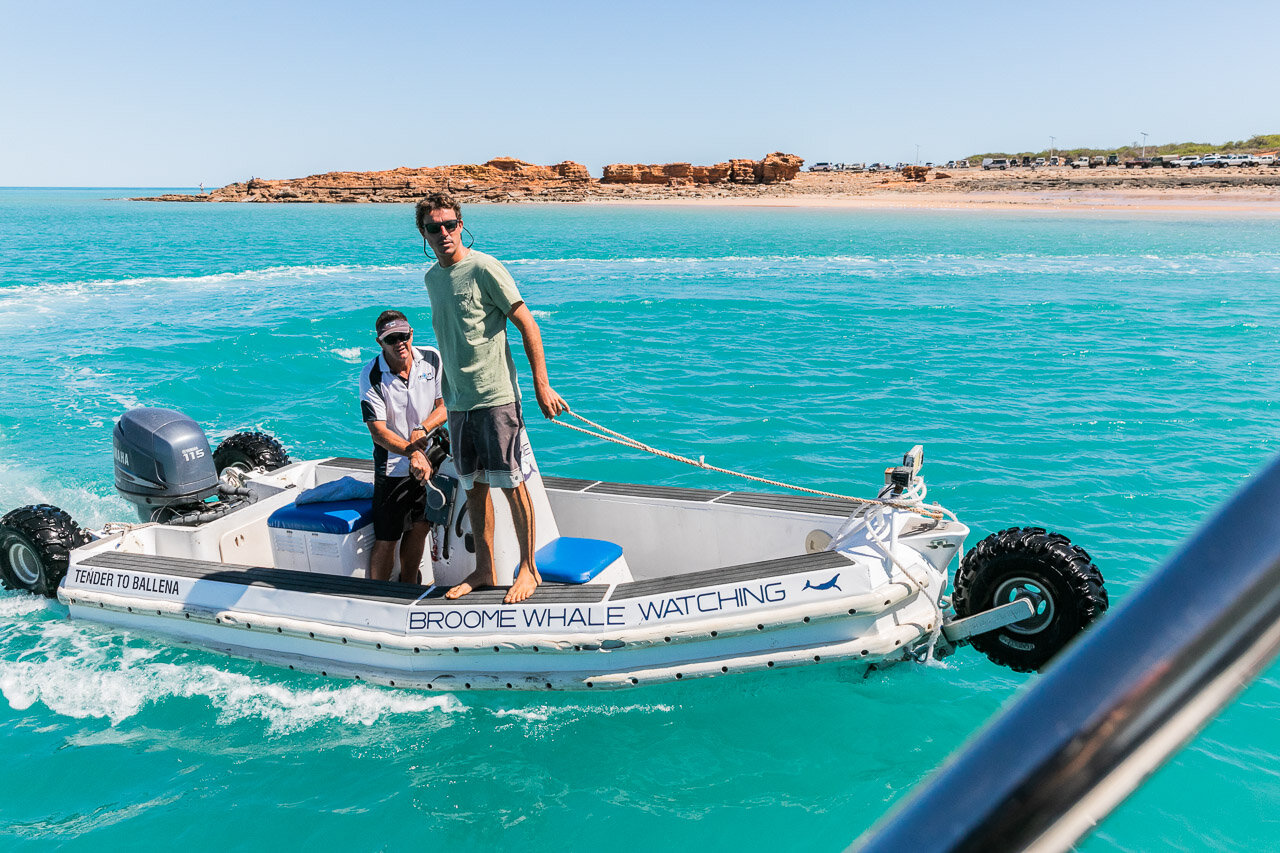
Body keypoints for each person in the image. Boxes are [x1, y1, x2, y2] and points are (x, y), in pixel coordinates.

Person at [416, 192, 568, 604]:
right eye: (434, 227)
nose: (444, 233)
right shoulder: (432, 278)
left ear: (461, 225)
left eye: (450, 225)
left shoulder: (484, 268)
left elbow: (527, 324)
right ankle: (485, 570)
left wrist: (541, 385)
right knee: (475, 488)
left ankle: (529, 569)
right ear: (423, 233)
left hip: (496, 396)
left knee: (511, 484)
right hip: (458, 403)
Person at [359, 310, 447, 583]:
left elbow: (444, 406)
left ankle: (408, 585)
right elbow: (378, 431)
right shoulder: (371, 375)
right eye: (392, 338)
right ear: (380, 342)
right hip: (393, 466)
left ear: (412, 334)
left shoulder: (432, 358)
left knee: (420, 526)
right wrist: (411, 451)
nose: (400, 343)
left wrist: (422, 429)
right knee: (388, 536)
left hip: (430, 458)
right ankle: (378, 594)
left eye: (404, 336)